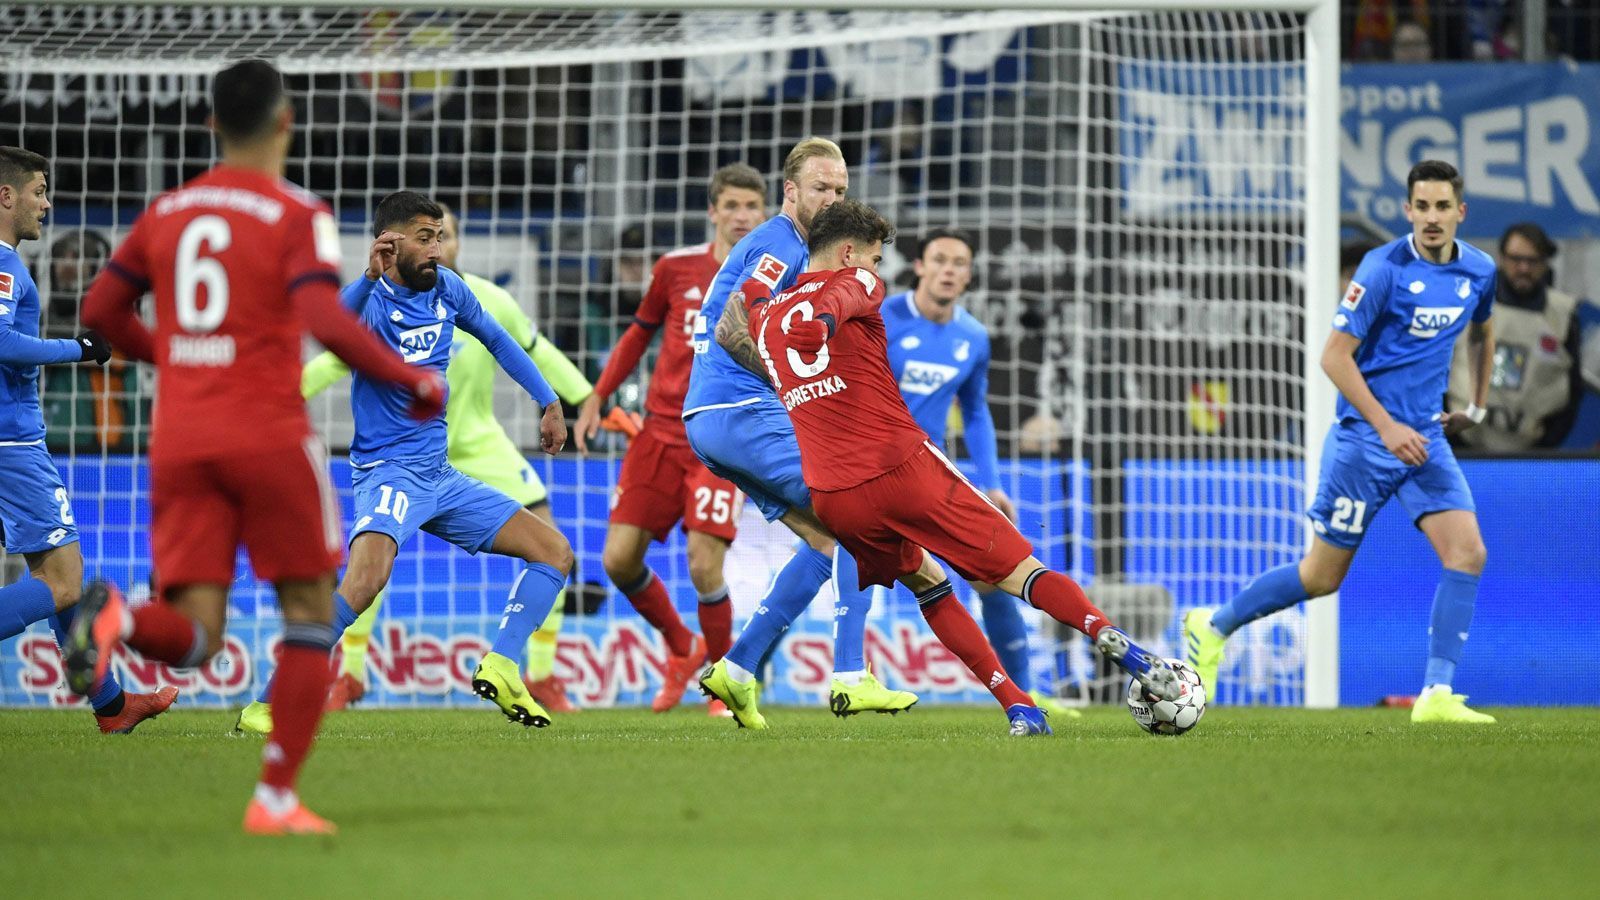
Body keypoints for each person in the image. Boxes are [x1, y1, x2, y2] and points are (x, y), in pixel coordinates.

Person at [68, 59, 445, 835]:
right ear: (286, 122)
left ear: (212, 126)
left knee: (197, 636)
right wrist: (409, 377)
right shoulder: (296, 209)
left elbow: (100, 310)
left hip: (179, 440)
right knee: (310, 612)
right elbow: (324, 318)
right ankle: (275, 799)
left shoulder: (168, 210)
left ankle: (114, 621)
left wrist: (172, 352)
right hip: (267, 434)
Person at [707, 198, 1180, 736]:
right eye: (873, 258)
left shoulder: (766, 315)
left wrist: (760, 289)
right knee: (1019, 572)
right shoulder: (861, 286)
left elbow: (748, 308)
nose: (876, 269)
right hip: (903, 470)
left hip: (836, 496)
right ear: (848, 253)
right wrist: (821, 317)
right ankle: (1127, 650)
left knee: (930, 584)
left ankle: (1019, 705)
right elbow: (839, 295)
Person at [233, 202, 594, 734]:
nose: (436, 248)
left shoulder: (449, 289)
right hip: (387, 473)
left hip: (440, 476)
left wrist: (549, 400)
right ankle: (268, 703)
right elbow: (326, 327)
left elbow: (498, 339)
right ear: (390, 242)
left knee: (554, 552)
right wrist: (365, 277)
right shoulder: (370, 300)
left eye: (440, 236)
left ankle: (503, 664)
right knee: (364, 581)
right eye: (424, 238)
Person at [1184, 160, 1498, 725]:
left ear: (1460, 212)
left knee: (1468, 552)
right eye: (1421, 207)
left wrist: (1476, 405)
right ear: (1407, 211)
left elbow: (1483, 328)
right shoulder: (1382, 269)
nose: (1431, 218)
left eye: (1442, 207)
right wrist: (1386, 427)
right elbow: (1333, 356)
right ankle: (1213, 625)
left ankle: (1436, 695)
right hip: (1364, 442)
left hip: (1425, 439)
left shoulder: (1479, 270)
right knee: (1322, 578)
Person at [683, 138, 917, 722]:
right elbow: (734, 325)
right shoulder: (777, 242)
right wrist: (792, 384)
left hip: (717, 418)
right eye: (821, 189)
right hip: (739, 410)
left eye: (841, 190)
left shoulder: (803, 248)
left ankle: (737, 670)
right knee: (859, 518)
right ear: (790, 191)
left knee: (826, 541)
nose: (834, 199)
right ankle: (849, 674)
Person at [573, 164, 766, 715]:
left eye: (751, 206)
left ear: (764, 212)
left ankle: (725, 683)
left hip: (722, 439)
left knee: (705, 564)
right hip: (658, 432)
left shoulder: (775, 277)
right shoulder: (675, 268)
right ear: (713, 211)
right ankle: (683, 649)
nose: (741, 216)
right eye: (731, 205)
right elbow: (640, 332)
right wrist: (596, 395)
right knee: (617, 560)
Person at [861, 226, 1076, 719]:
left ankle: (1025, 694)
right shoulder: (882, 319)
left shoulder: (973, 336)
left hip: (926, 474)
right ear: (919, 267)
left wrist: (993, 482)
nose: (949, 270)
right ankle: (753, 673)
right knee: (825, 566)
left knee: (992, 572)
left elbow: (976, 412)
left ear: (969, 274)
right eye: (939, 259)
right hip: (865, 471)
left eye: (960, 262)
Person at [0, 145, 176, 734]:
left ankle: (111, 705)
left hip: (14, 440)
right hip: (12, 446)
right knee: (64, 580)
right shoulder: (2, 263)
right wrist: (78, 349)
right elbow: (2, 343)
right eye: (38, 192)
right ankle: (111, 703)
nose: (46, 204)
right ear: (6, 196)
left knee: (58, 572)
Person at [1447, 222, 1584, 451]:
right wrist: (1452, 439)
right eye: (1516, 259)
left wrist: (1542, 450)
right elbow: (1436, 370)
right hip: (1460, 447)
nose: (1523, 268)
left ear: (1544, 263)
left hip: (1530, 455)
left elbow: (1572, 394)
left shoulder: (1562, 315)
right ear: (1501, 258)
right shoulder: (1468, 302)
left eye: (1532, 261)